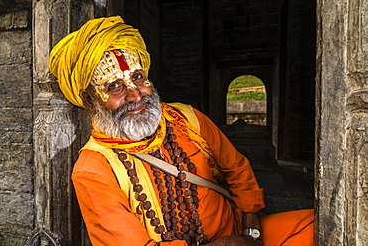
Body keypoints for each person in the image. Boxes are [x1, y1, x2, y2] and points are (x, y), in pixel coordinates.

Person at [48, 16, 314, 246]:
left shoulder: (185, 117)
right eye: (114, 87)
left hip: (239, 234)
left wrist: (251, 231)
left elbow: (236, 167)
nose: (134, 95)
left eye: (138, 78)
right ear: (90, 100)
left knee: (317, 225)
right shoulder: (93, 168)